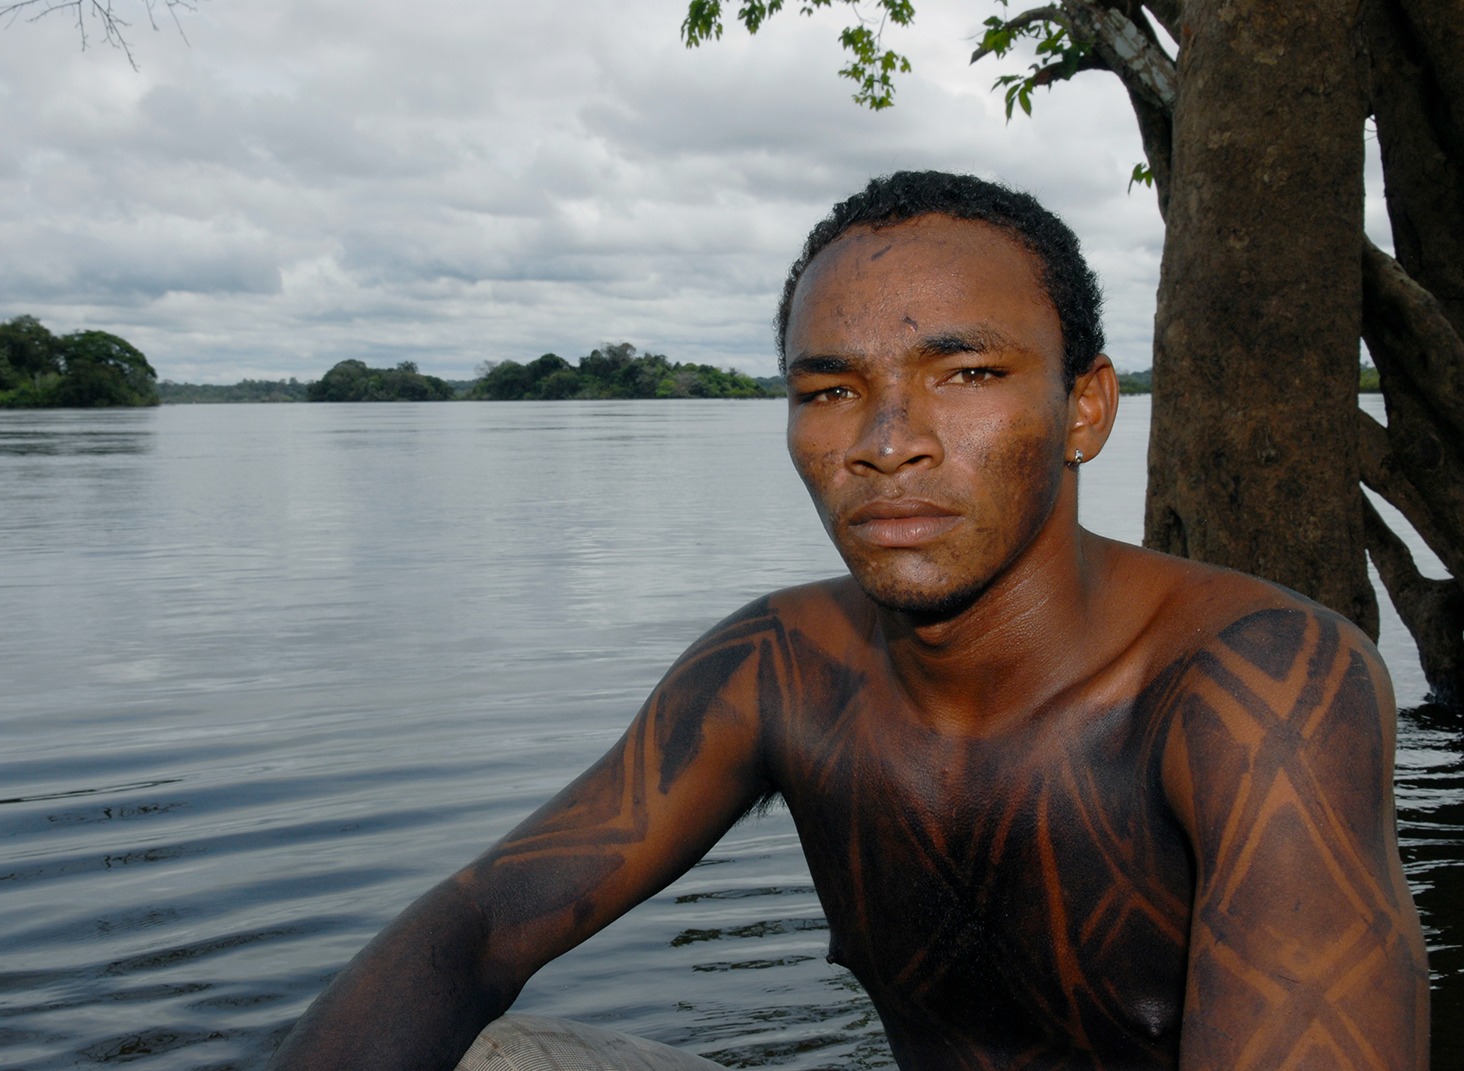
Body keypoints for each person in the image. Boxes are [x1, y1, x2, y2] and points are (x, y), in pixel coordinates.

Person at [266, 171, 1429, 1070]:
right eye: (829, 392)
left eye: (964, 374)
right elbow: (479, 925)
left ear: (1084, 408)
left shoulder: (1255, 684)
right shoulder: (776, 669)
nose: (886, 442)